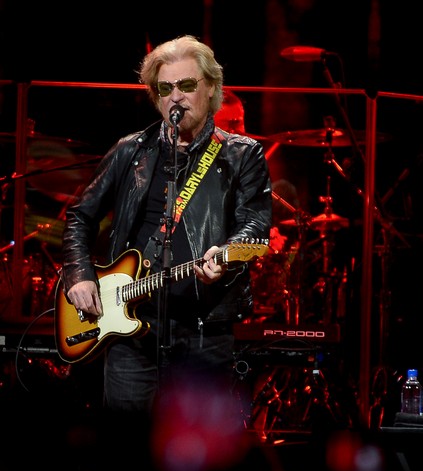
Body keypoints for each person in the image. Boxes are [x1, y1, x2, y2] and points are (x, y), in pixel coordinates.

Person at [60, 34, 272, 415]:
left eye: (187, 85)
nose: (176, 97)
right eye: (165, 88)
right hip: (130, 333)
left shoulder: (242, 155)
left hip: (204, 333)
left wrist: (226, 258)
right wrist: (79, 275)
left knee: (196, 447)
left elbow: (254, 226)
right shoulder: (131, 150)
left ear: (211, 88)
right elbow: (80, 215)